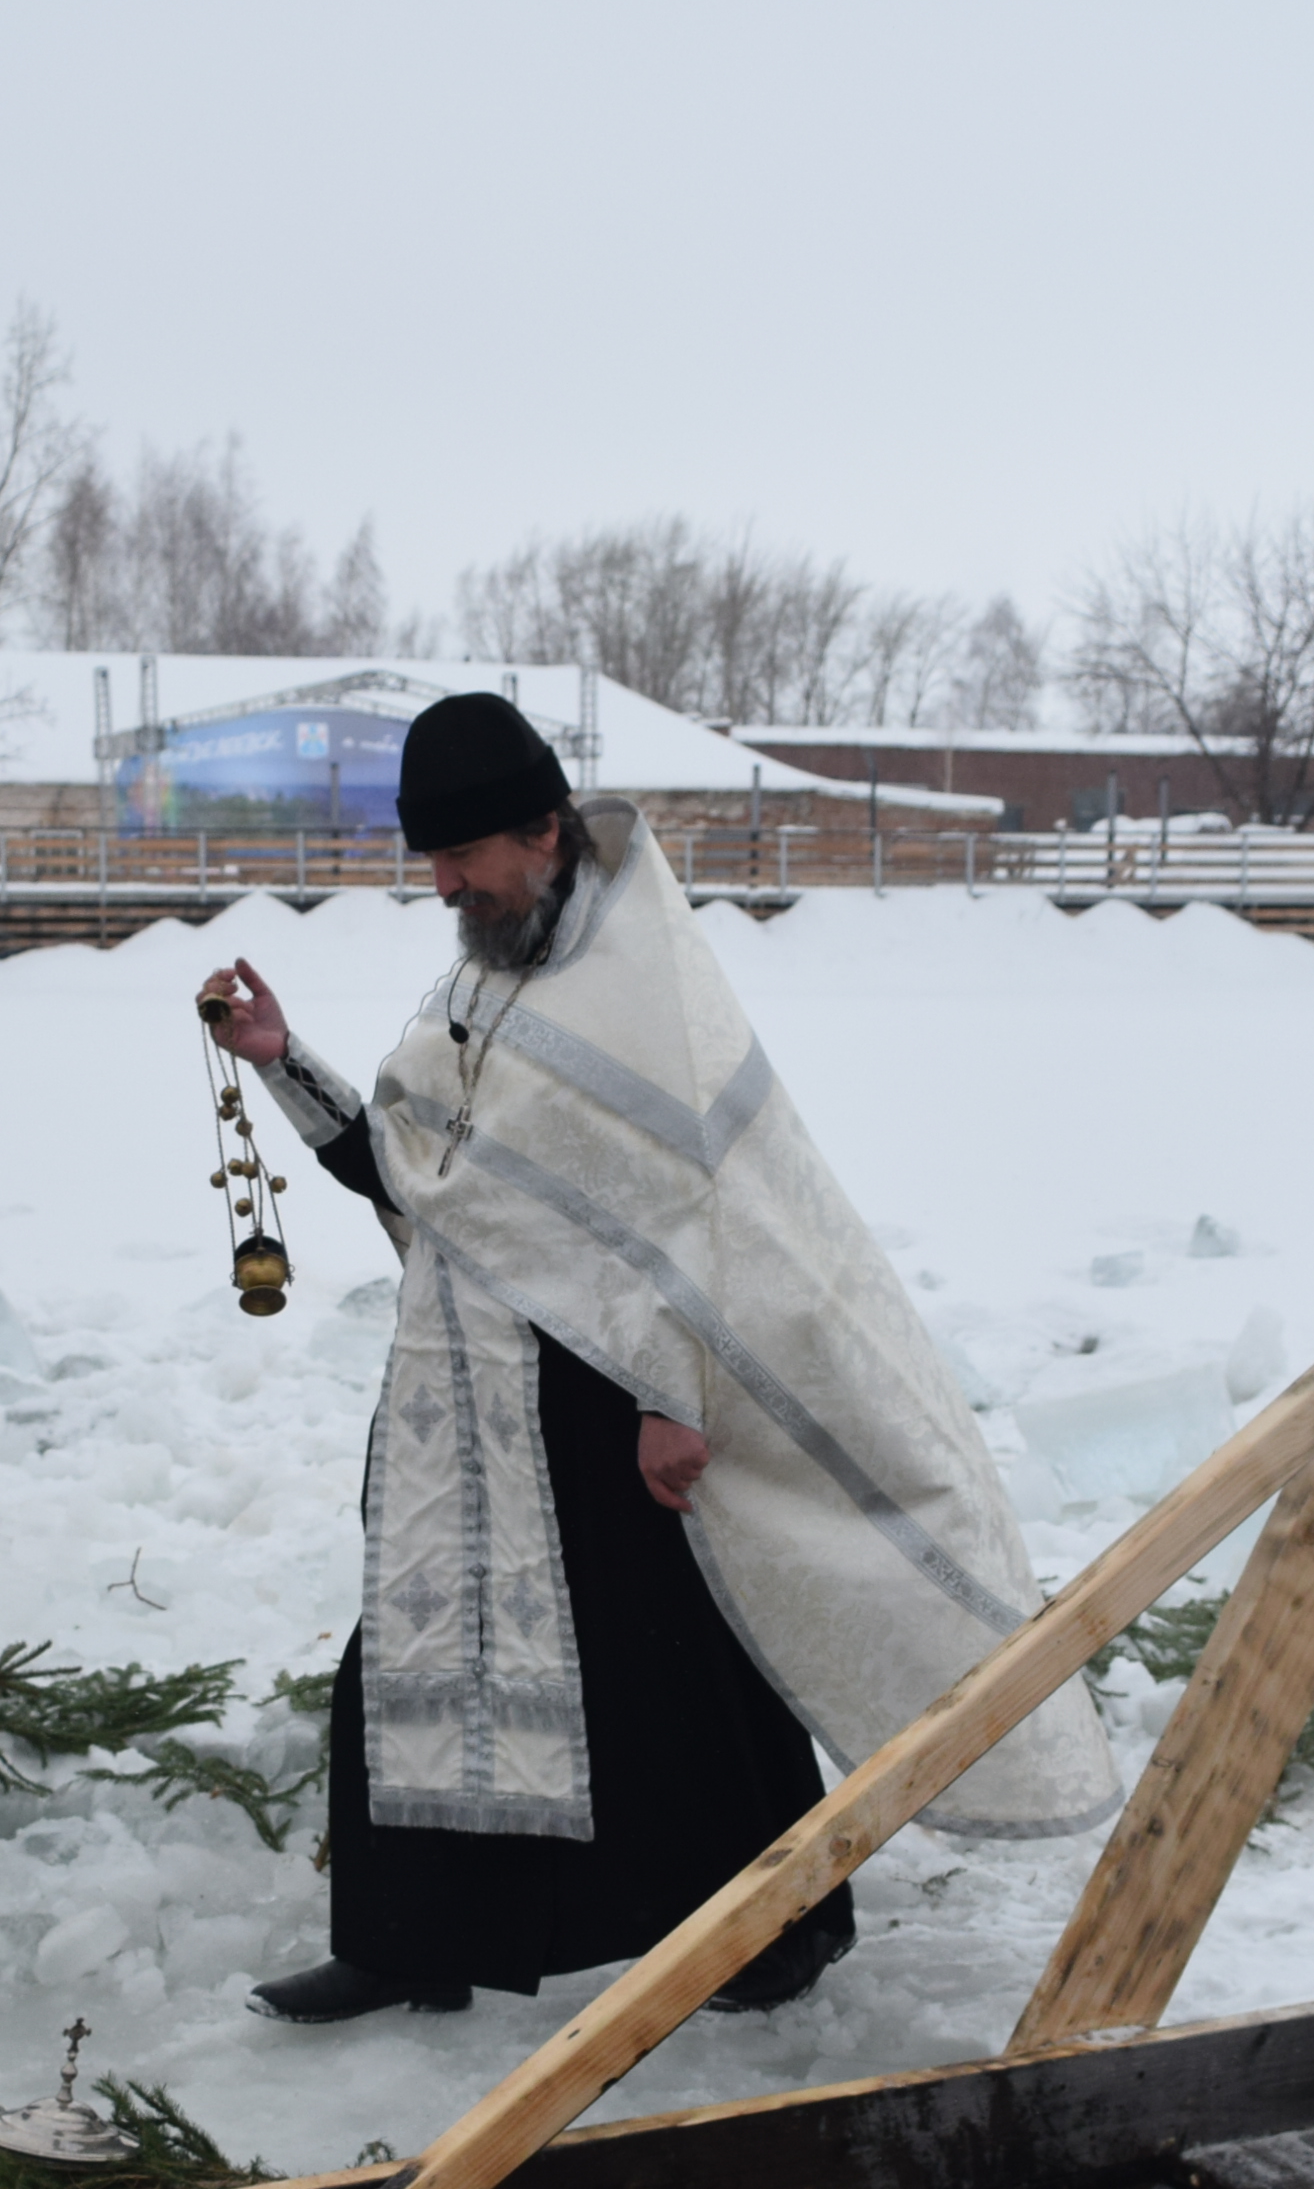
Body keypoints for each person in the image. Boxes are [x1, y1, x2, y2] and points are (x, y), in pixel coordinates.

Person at [203, 692, 1110, 2024]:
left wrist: (670, 1399)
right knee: (413, 1642)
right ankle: (411, 1942)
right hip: (464, 1387)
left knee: (683, 1660)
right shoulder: (481, 983)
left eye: (461, 856)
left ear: (542, 831)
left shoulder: (639, 995)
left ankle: (782, 1928)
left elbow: (697, 1224)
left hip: (612, 1394)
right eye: (433, 860)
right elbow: (426, 1179)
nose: (444, 886)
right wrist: (286, 1065)